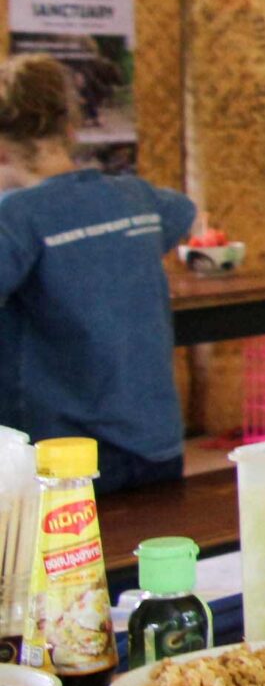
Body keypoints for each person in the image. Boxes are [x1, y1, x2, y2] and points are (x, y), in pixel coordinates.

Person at [0, 55, 197, 493]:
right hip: (157, 442)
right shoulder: (136, 197)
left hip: (65, 459)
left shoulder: (16, 217)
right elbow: (182, 211)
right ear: (71, 130)